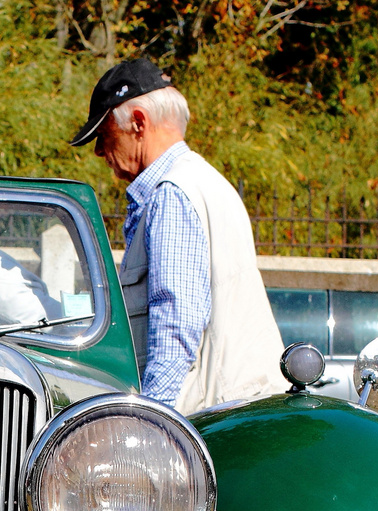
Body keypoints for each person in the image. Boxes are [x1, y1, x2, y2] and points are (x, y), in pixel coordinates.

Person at [71, 58, 286, 413]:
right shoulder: (203, 181)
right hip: (232, 415)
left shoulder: (173, 194)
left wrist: (147, 421)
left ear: (138, 123)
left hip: (207, 423)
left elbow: (175, 330)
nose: (98, 151)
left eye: (103, 135)